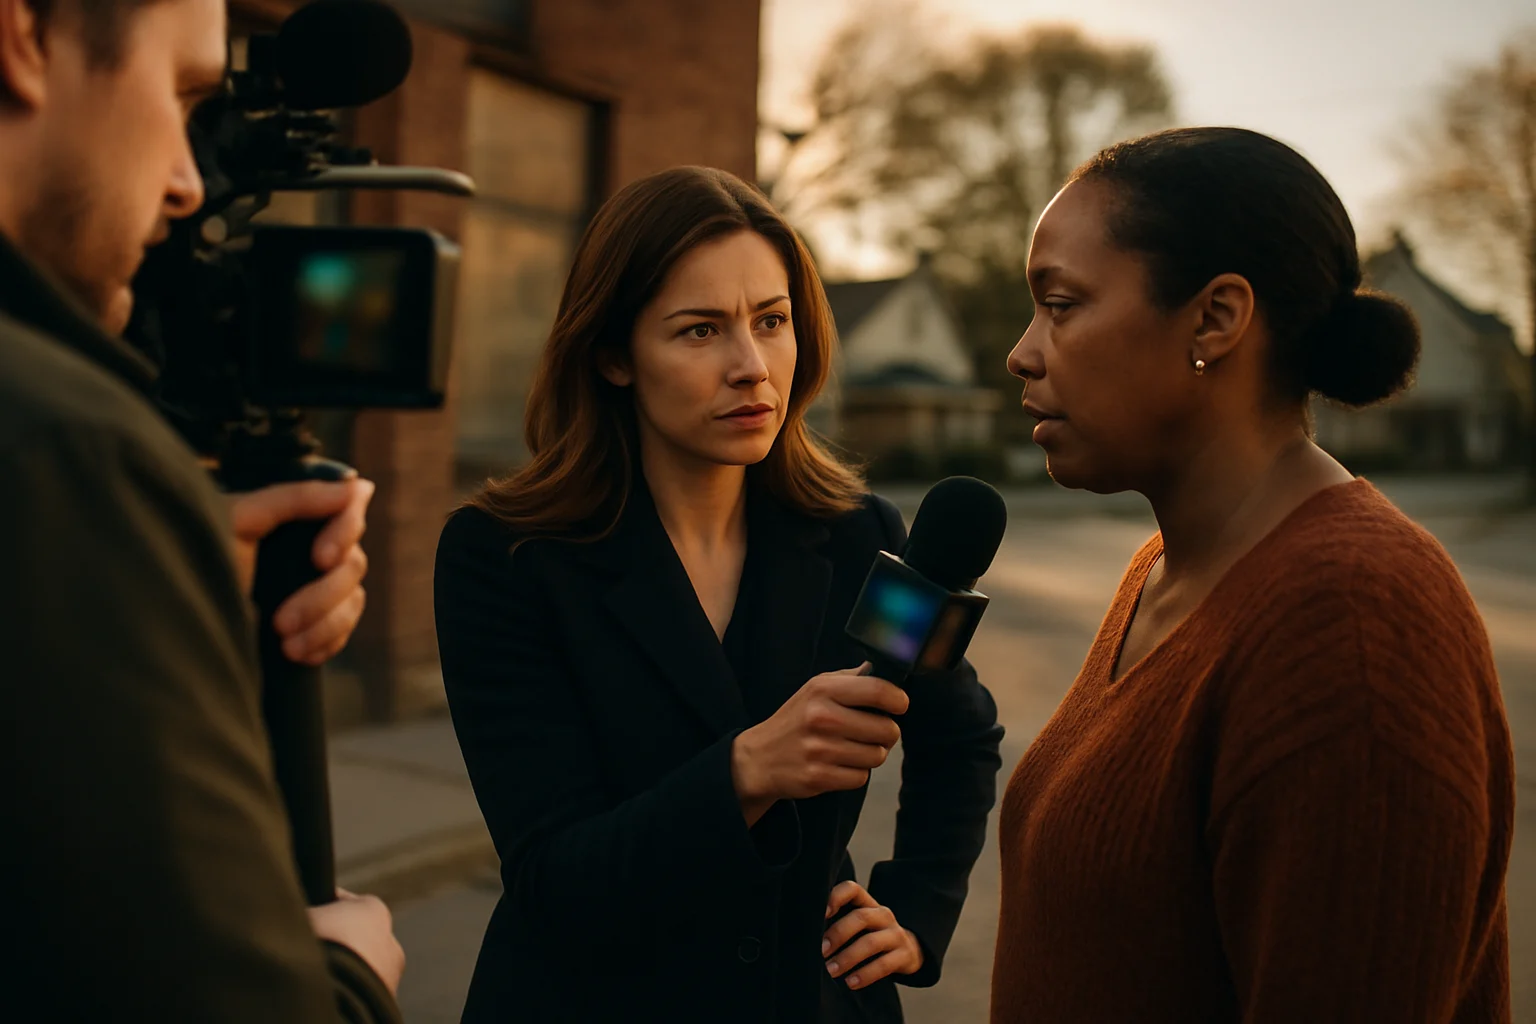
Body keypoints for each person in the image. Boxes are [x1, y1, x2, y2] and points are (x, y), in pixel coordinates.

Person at [434, 165, 1004, 1023]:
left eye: (770, 322)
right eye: (700, 331)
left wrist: (917, 911)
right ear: (614, 355)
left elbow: (959, 740)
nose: (751, 366)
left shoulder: (861, 538)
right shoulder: (507, 559)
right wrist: (746, 771)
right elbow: (553, 877)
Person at [991, 126, 1514, 1022]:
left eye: (1063, 304)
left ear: (1215, 318)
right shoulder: (1165, 567)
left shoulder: (1350, 622)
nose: (1023, 353)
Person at [0, 0, 405, 1018]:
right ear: (22, 38)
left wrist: (160, 605)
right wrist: (348, 978)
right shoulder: (65, 447)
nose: (188, 183)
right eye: (179, 96)